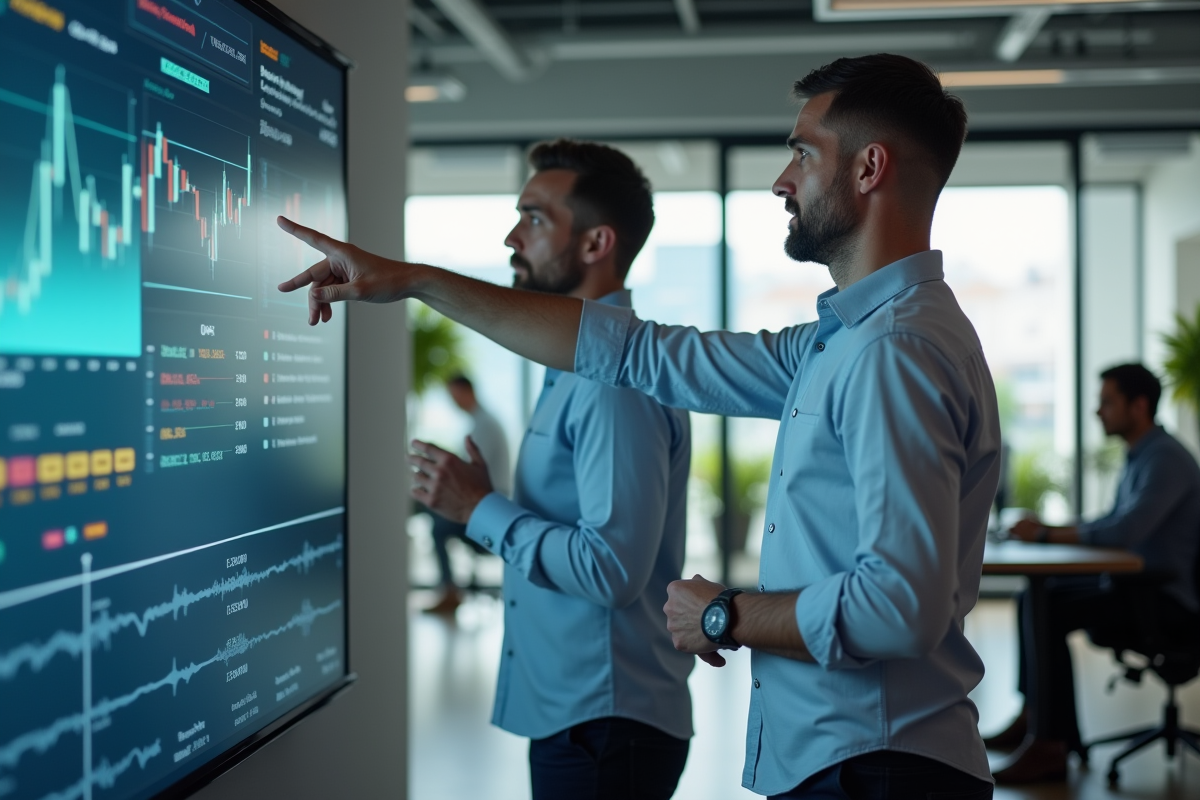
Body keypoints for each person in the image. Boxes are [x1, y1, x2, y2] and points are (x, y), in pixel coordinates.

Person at [274, 53, 998, 799]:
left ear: (869, 168)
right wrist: (416, 281)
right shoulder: (840, 342)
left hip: (876, 767)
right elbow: (637, 353)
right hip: (851, 760)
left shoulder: (893, 350)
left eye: (803, 153)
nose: (783, 181)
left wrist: (725, 615)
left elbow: (900, 606)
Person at [407, 141, 695, 797]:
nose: (513, 238)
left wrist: (478, 508)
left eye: (534, 219)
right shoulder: (573, 370)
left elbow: (610, 569)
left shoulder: (611, 384)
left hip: (605, 726)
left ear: (596, 243)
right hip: (586, 719)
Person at [989, 363, 1200, 783]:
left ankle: (1050, 745)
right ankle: (1036, 717)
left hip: (1164, 599)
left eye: (1107, 402)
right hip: (1136, 584)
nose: (1098, 411)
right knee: (1035, 596)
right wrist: (1053, 527)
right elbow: (1114, 522)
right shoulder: (1143, 454)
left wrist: (1046, 535)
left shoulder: (1165, 459)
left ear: (1138, 406)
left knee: (1047, 606)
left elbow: (1125, 531)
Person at [421, 373, 511, 616]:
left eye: (454, 395)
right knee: (432, 512)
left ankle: (450, 591)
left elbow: (470, 473)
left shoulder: (485, 426)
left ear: (467, 391)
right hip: (489, 502)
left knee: (438, 527)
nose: (453, 402)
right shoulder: (482, 423)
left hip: (490, 507)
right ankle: (449, 589)